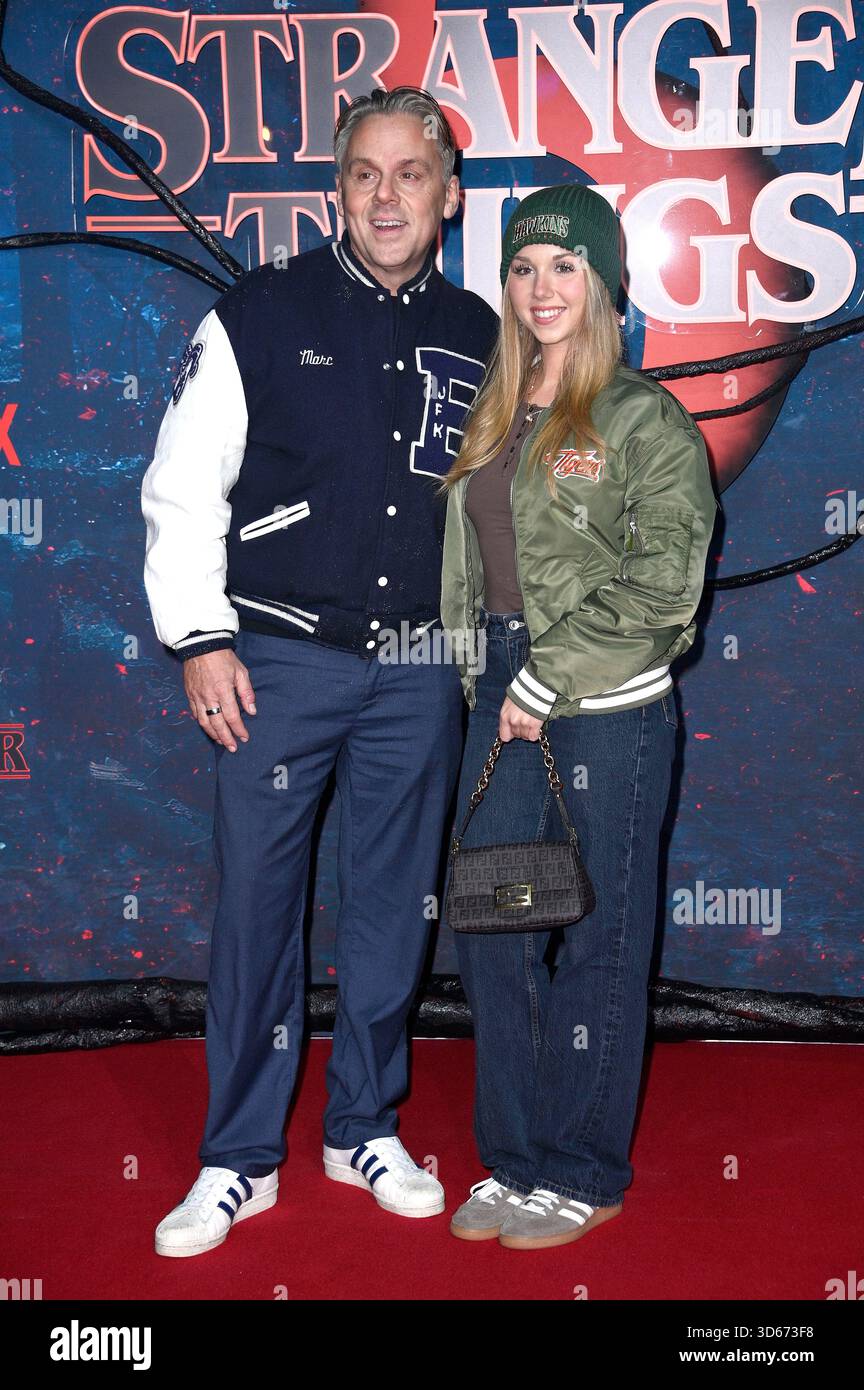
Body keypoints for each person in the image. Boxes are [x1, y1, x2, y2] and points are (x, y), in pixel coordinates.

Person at [141, 86, 498, 1257]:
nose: (386, 195)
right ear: (335, 190)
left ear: (448, 196)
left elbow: (502, 510)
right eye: (363, 174)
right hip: (277, 663)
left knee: (397, 909)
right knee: (259, 913)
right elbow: (185, 483)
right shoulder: (256, 312)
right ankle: (237, 1156)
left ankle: (363, 1127)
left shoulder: (483, 334)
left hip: (416, 672)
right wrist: (199, 636)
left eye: (410, 174)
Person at [438, 183, 720, 1250]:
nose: (542, 286)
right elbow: (473, 577)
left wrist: (543, 678)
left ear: (603, 282)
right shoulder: (493, 410)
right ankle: (514, 1157)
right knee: (496, 932)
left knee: (601, 936)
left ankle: (584, 1167)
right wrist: (488, 679)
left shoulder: (645, 417)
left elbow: (664, 591)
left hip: (606, 704)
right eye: (523, 266)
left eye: (565, 265)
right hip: (505, 689)